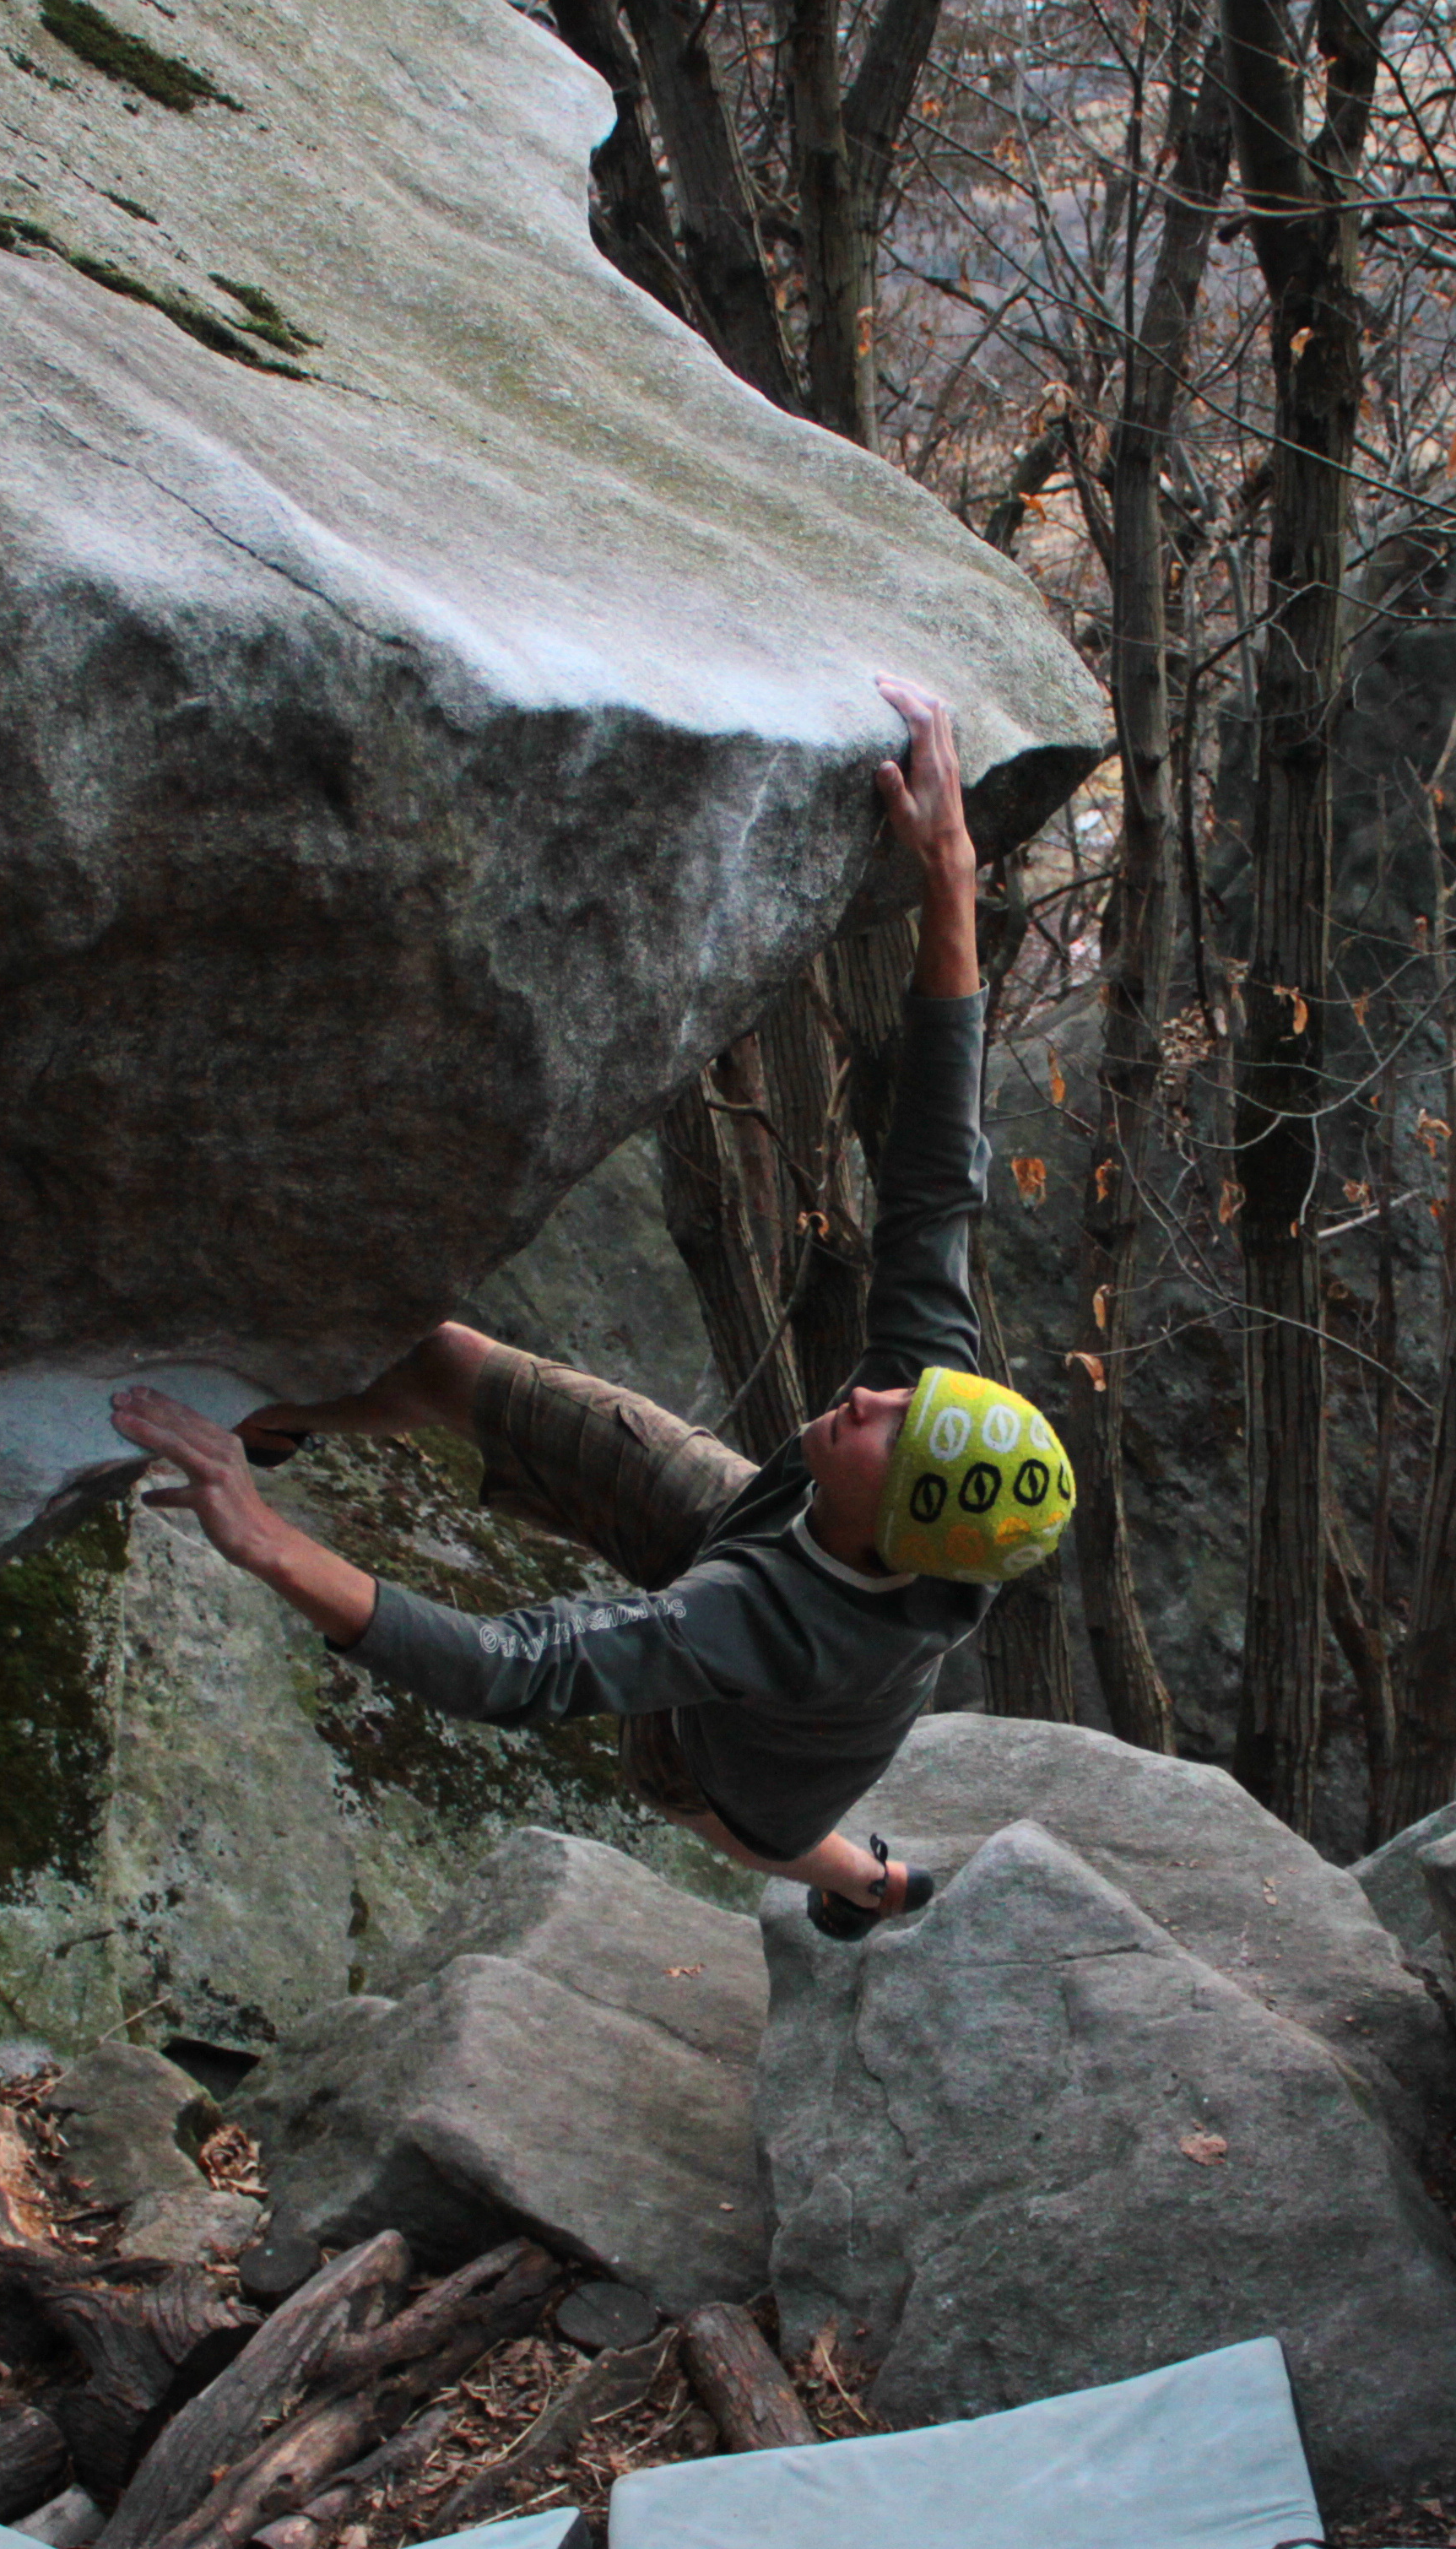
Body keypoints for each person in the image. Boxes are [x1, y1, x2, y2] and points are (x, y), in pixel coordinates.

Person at [110, 679, 1071, 1939]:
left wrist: (263, 1540)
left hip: (727, 1751)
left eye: (896, 1424)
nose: (877, 1391)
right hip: (744, 1526)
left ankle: (870, 1885)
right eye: (909, 1391)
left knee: (766, 1837)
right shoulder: (889, 1476)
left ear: (895, 1523)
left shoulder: (760, 1632)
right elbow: (935, 1185)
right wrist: (951, 877)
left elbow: (518, 1668)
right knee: (453, 1364)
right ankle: (284, 1415)